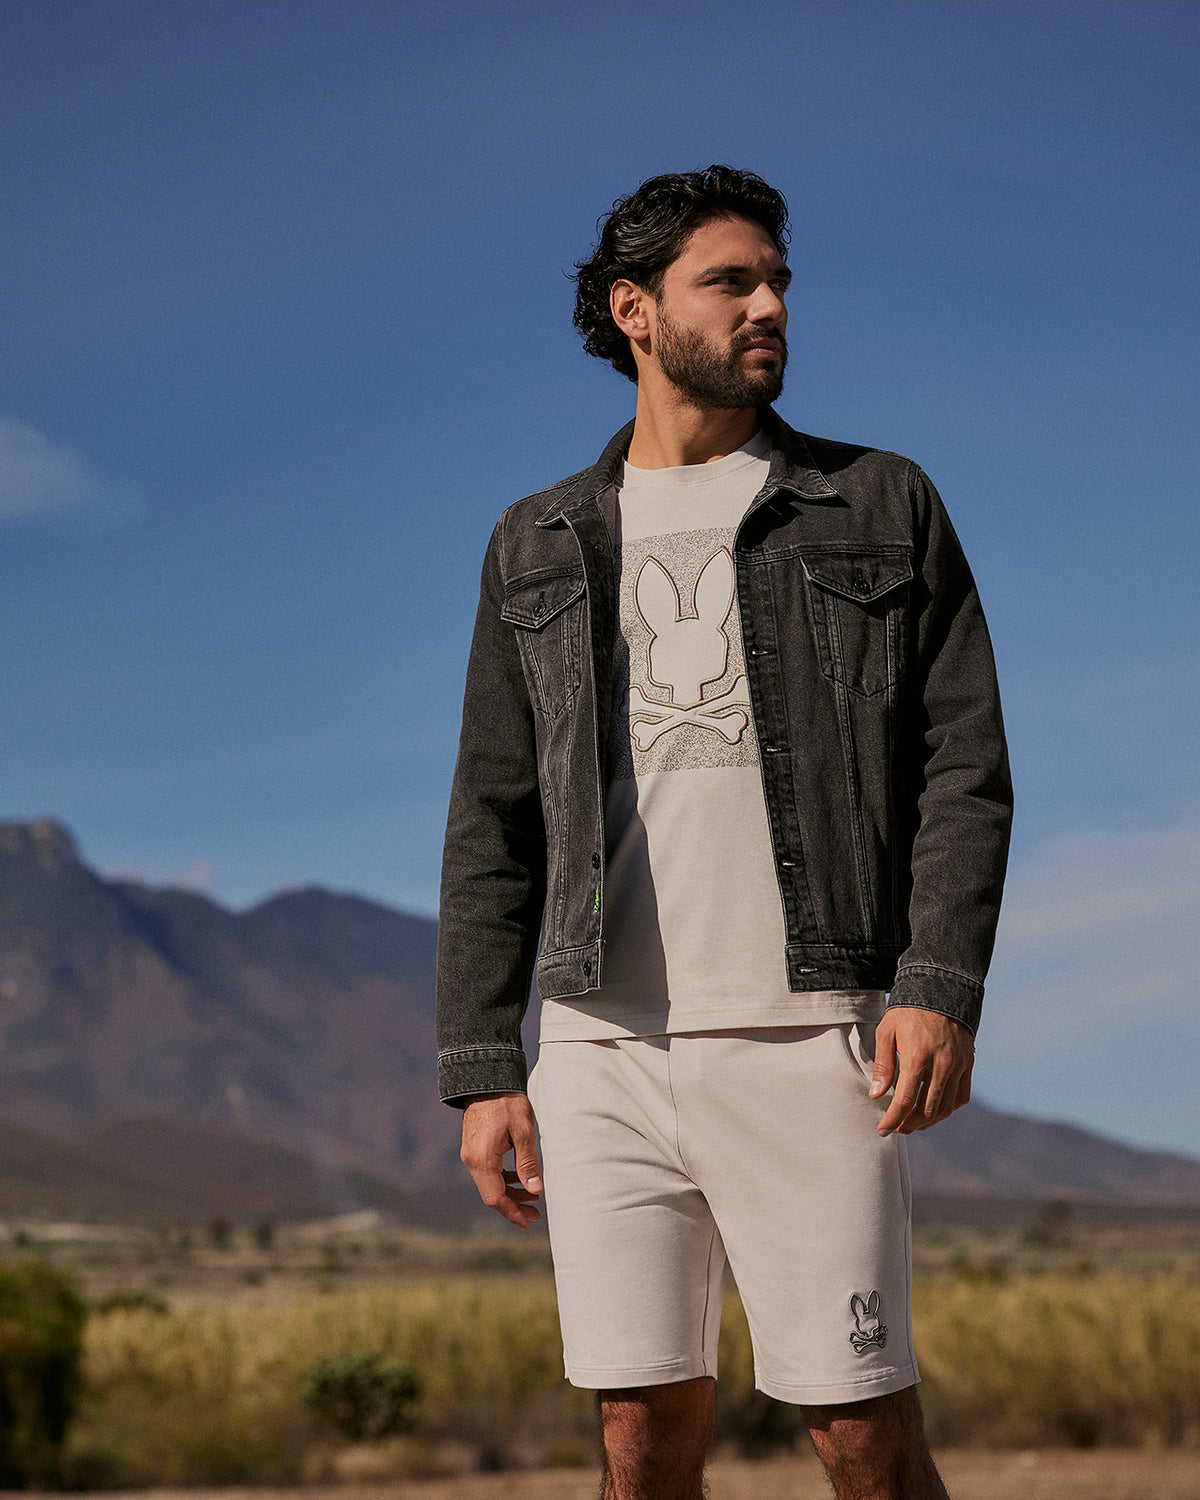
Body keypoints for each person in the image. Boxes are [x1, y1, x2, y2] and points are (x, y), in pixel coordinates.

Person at [436, 165, 1011, 1500]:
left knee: (860, 1433)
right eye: (731, 282)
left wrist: (936, 983)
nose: (770, 306)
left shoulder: (878, 501)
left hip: (813, 1034)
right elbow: (493, 813)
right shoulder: (535, 540)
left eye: (778, 282)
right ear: (634, 310)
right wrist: (483, 1063)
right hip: (601, 1047)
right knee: (637, 1439)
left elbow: (964, 765)